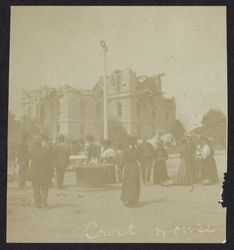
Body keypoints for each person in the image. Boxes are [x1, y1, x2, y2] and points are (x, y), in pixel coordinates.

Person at [28, 135, 53, 208]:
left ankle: (38, 204)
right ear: (41, 142)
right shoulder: (46, 149)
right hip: (45, 173)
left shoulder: (30, 150)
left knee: (36, 189)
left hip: (34, 173)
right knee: (45, 188)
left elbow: (28, 160)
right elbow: (50, 162)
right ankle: (44, 201)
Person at [121, 136, 141, 207]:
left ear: (129, 142)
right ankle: (133, 199)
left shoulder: (125, 150)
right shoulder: (137, 150)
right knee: (135, 182)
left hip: (128, 166)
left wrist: (120, 167)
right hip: (135, 166)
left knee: (128, 181)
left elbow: (123, 160)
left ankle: (127, 198)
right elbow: (140, 159)